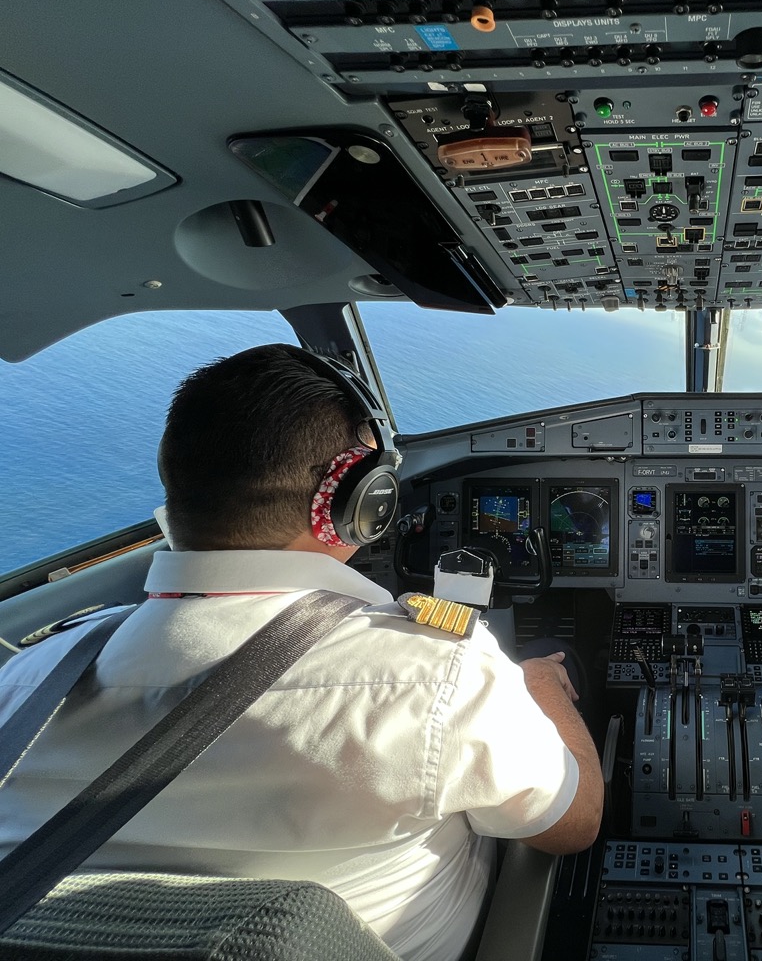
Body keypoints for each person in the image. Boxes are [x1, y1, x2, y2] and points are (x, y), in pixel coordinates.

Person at [0, 344, 603, 961]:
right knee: (552, 661)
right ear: (359, 504)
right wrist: (538, 688)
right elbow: (575, 823)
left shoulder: (26, 681)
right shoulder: (439, 674)